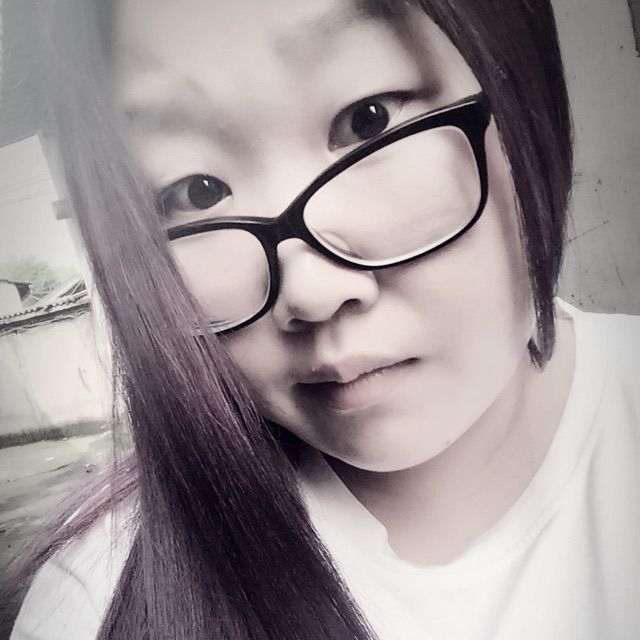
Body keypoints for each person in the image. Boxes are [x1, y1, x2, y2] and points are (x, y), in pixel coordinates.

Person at [7, 0, 640, 638]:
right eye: (194, 194)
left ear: (522, 89)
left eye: (369, 121)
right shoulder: (98, 600)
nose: (312, 292)